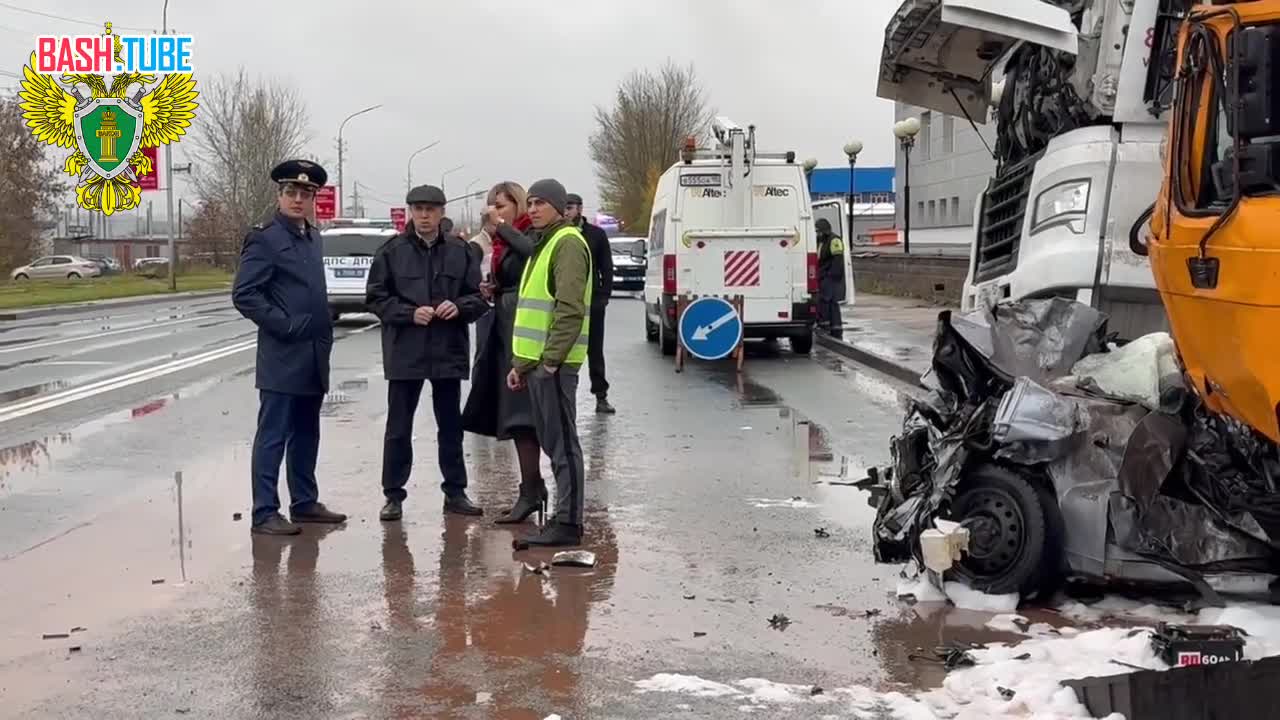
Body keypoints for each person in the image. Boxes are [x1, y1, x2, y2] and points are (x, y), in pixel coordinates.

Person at [232, 159, 348, 536]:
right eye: (292, 192)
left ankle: (305, 502)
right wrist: (286, 325)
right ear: (279, 195)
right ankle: (265, 512)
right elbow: (245, 294)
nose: (299, 199)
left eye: (306, 194)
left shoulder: (312, 237)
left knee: (307, 431)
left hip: (314, 353)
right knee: (273, 435)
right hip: (283, 354)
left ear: (315, 198)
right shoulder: (265, 238)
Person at [366, 185, 489, 521]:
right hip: (405, 351)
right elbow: (376, 298)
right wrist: (408, 313)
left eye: (430, 209)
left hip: (447, 351)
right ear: (410, 211)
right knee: (398, 427)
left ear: (441, 212)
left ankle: (455, 492)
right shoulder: (391, 252)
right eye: (418, 209)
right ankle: (393, 495)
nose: (424, 215)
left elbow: (479, 298)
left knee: (450, 426)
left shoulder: (460, 251)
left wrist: (459, 306)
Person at [506, 179, 593, 548]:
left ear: (559, 206)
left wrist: (552, 362)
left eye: (541, 203)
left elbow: (569, 309)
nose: (534, 209)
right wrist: (521, 364)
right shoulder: (545, 244)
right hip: (539, 365)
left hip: (555, 365)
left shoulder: (567, 243)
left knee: (563, 446)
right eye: (531, 203)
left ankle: (569, 524)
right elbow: (535, 311)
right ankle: (562, 514)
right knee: (554, 443)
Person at [461, 182, 548, 525]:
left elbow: (530, 255)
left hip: (521, 331)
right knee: (512, 414)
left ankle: (532, 490)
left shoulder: (529, 233)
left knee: (524, 414)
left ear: (518, 205)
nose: (495, 212)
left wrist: (499, 226)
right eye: (492, 206)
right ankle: (530, 487)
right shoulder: (503, 240)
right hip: (502, 325)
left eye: (501, 205)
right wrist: (492, 287)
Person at [565, 193, 615, 415]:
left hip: (592, 302)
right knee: (564, 350)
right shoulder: (559, 234)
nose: (566, 211)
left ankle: (601, 396)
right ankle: (565, 398)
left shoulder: (596, 235)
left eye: (570, 207)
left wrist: (603, 296)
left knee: (595, 350)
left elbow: (607, 267)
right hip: (565, 303)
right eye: (564, 208)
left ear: (580, 209)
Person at [815, 218, 846, 339]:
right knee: (829, 302)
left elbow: (837, 260)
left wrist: (831, 275)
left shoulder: (834, 240)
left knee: (826, 301)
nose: (817, 233)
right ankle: (834, 327)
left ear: (824, 230)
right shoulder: (821, 241)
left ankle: (827, 327)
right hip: (824, 275)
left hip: (830, 276)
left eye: (819, 231)